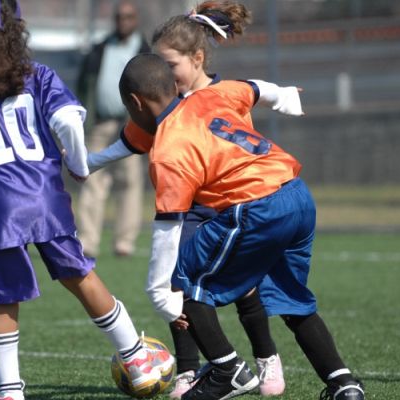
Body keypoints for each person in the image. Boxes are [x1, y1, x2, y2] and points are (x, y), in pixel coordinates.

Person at [0, 2, 172, 399]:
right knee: (80, 275)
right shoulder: (38, 75)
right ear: (17, 30)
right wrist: (78, 163)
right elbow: (68, 120)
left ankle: (9, 391)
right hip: (43, 197)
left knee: (3, 299)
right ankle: (134, 356)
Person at [117, 53, 364, 400]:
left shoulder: (168, 147)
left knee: (182, 276)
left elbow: (168, 232)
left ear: (134, 102)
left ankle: (226, 369)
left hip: (255, 205)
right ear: (174, 86)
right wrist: (285, 97)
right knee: (291, 298)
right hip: (296, 195)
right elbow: (253, 89)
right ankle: (343, 384)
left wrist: (161, 296)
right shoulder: (208, 95)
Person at [103, 3, 285, 397]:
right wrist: (89, 163)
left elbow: (258, 90)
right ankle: (189, 368)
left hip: (231, 205)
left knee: (246, 286)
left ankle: (267, 357)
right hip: (189, 207)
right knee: (178, 280)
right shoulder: (167, 104)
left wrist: (285, 96)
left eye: (169, 64)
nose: (163, 75)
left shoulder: (221, 94)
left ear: (196, 58)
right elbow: (133, 139)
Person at [75, 0, 151, 258]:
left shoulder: (144, 50)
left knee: (129, 182)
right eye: (119, 17)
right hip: (101, 123)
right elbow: (83, 84)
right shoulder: (100, 48)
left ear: (136, 19)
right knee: (92, 178)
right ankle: (87, 241)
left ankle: (124, 242)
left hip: (133, 124)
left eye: (128, 17)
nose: (123, 21)